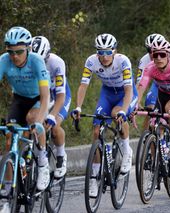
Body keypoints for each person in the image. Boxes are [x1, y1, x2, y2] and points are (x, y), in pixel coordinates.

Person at [71, 33, 137, 197]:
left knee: (116, 114)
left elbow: (129, 90)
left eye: (108, 52)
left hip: (125, 94)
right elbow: (83, 86)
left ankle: (126, 150)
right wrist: (78, 107)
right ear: (96, 52)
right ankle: (94, 176)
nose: (104, 56)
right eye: (101, 52)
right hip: (107, 94)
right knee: (96, 128)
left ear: (115, 51)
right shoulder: (91, 61)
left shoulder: (123, 61)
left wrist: (124, 109)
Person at [0, 26, 50, 190]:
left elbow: (45, 97)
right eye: (11, 52)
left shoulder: (36, 61)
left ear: (28, 48)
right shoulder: (3, 61)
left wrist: (40, 122)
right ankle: (7, 192)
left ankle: (43, 163)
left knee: (33, 119)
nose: (14, 56)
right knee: (9, 141)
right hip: (19, 100)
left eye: (19, 52)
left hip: (37, 100)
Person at [137, 39, 170, 161]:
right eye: (155, 55)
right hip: (162, 94)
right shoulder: (150, 67)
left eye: (163, 54)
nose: (159, 58)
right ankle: (158, 153)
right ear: (152, 56)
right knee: (153, 121)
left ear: (169, 55)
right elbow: (142, 86)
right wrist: (136, 104)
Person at [31, 36, 70, 178]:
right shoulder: (27, 61)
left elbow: (60, 95)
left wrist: (52, 116)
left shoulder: (57, 62)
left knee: (54, 127)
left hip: (58, 94)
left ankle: (61, 155)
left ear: (47, 55)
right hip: (40, 93)